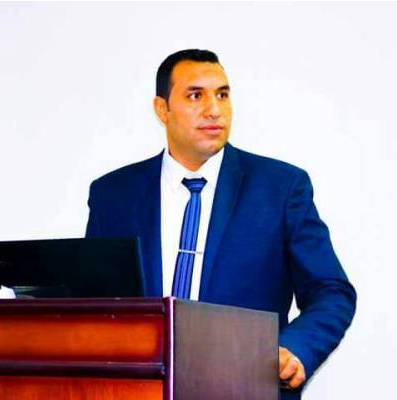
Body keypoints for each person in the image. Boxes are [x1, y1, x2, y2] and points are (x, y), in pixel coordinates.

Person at [85, 49, 356, 398]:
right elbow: (94, 303)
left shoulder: (280, 188)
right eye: (195, 96)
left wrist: (295, 349)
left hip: (245, 387)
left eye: (223, 95)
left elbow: (331, 291)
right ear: (162, 109)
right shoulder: (113, 194)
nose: (214, 109)